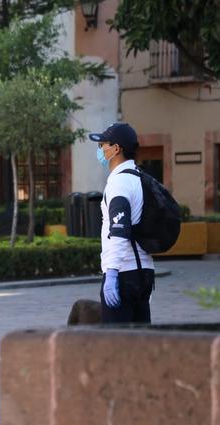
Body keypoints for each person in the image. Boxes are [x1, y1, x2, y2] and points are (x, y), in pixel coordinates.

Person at [89, 122, 155, 324]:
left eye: (103, 145)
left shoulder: (119, 183)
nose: (100, 149)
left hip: (124, 274)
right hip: (145, 273)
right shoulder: (139, 178)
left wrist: (111, 273)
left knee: (117, 346)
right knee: (141, 343)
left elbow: (119, 230)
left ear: (116, 148)